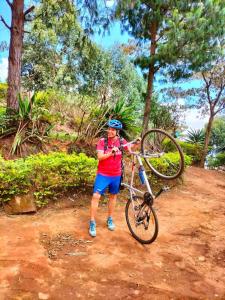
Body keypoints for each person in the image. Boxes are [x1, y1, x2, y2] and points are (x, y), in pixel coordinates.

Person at [89, 119, 138, 237]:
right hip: (103, 174)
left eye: (113, 130)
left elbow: (131, 149)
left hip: (116, 174)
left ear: (117, 131)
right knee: (96, 196)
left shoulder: (122, 141)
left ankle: (110, 219)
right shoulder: (102, 141)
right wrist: (111, 152)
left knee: (113, 196)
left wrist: (137, 143)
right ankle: (92, 222)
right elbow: (100, 157)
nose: (110, 131)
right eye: (109, 129)